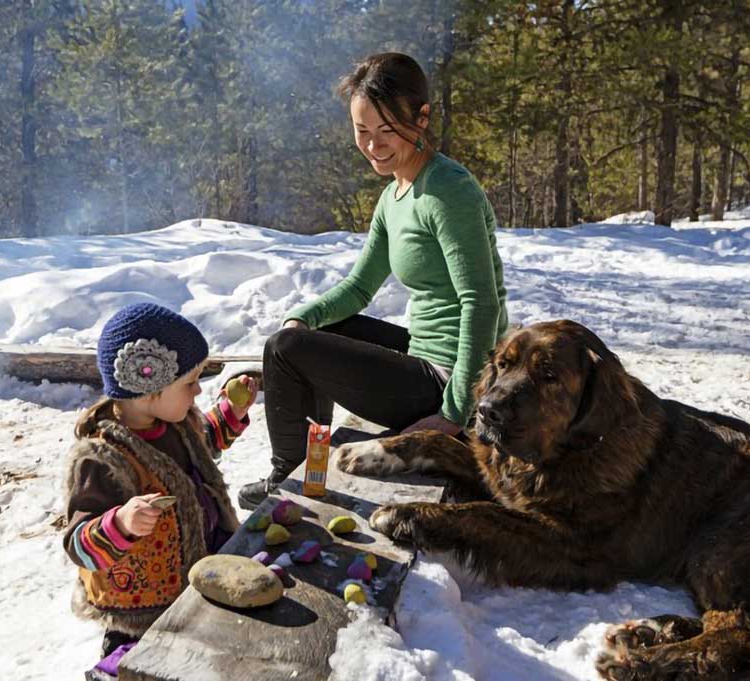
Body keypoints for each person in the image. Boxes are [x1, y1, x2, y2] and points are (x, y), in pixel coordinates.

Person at [239, 52, 507, 510]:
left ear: (422, 118)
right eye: (362, 131)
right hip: (424, 357)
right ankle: (311, 466)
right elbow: (361, 287)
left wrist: (455, 411)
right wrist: (302, 317)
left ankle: (291, 479)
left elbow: (481, 303)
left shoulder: (447, 191)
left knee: (283, 354)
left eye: (387, 130)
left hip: (451, 380)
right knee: (301, 337)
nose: (373, 145)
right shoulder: (395, 195)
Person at [62, 302, 257, 680]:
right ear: (148, 386)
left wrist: (231, 411)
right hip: (142, 605)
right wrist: (121, 522)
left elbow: (206, 445)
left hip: (197, 570)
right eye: (190, 382)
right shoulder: (103, 459)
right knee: (141, 660)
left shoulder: (176, 423)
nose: (199, 390)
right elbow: (78, 544)